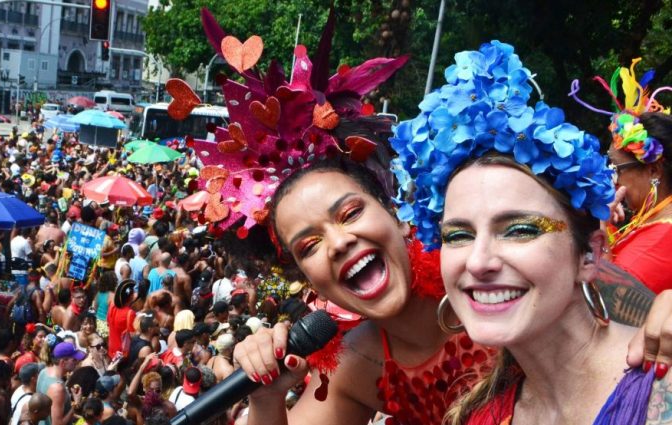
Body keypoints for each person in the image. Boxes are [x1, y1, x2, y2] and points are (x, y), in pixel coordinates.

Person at [200, 27, 660, 425]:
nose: (339, 243)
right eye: (310, 245)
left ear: (397, 215)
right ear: (309, 280)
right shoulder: (359, 361)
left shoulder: (480, 266)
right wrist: (266, 398)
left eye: (351, 213)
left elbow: (619, 305)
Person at [387, 42, 670, 424]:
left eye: (519, 230)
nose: (479, 261)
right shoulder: (481, 417)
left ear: (589, 255)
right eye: (458, 236)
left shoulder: (660, 391)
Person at [571, 63, 672, 293]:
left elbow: (607, 304)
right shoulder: (652, 223)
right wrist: (603, 224)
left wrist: (602, 242)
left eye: (617, 169)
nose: (613, 181)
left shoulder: (662, 240)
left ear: (654, 170)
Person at [38, 342, 85, 425]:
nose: (77, 361)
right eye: (74, 359)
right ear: (63, 362)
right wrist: (76, 404)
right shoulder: (58, 389)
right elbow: (57, 424)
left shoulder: (43, 371)